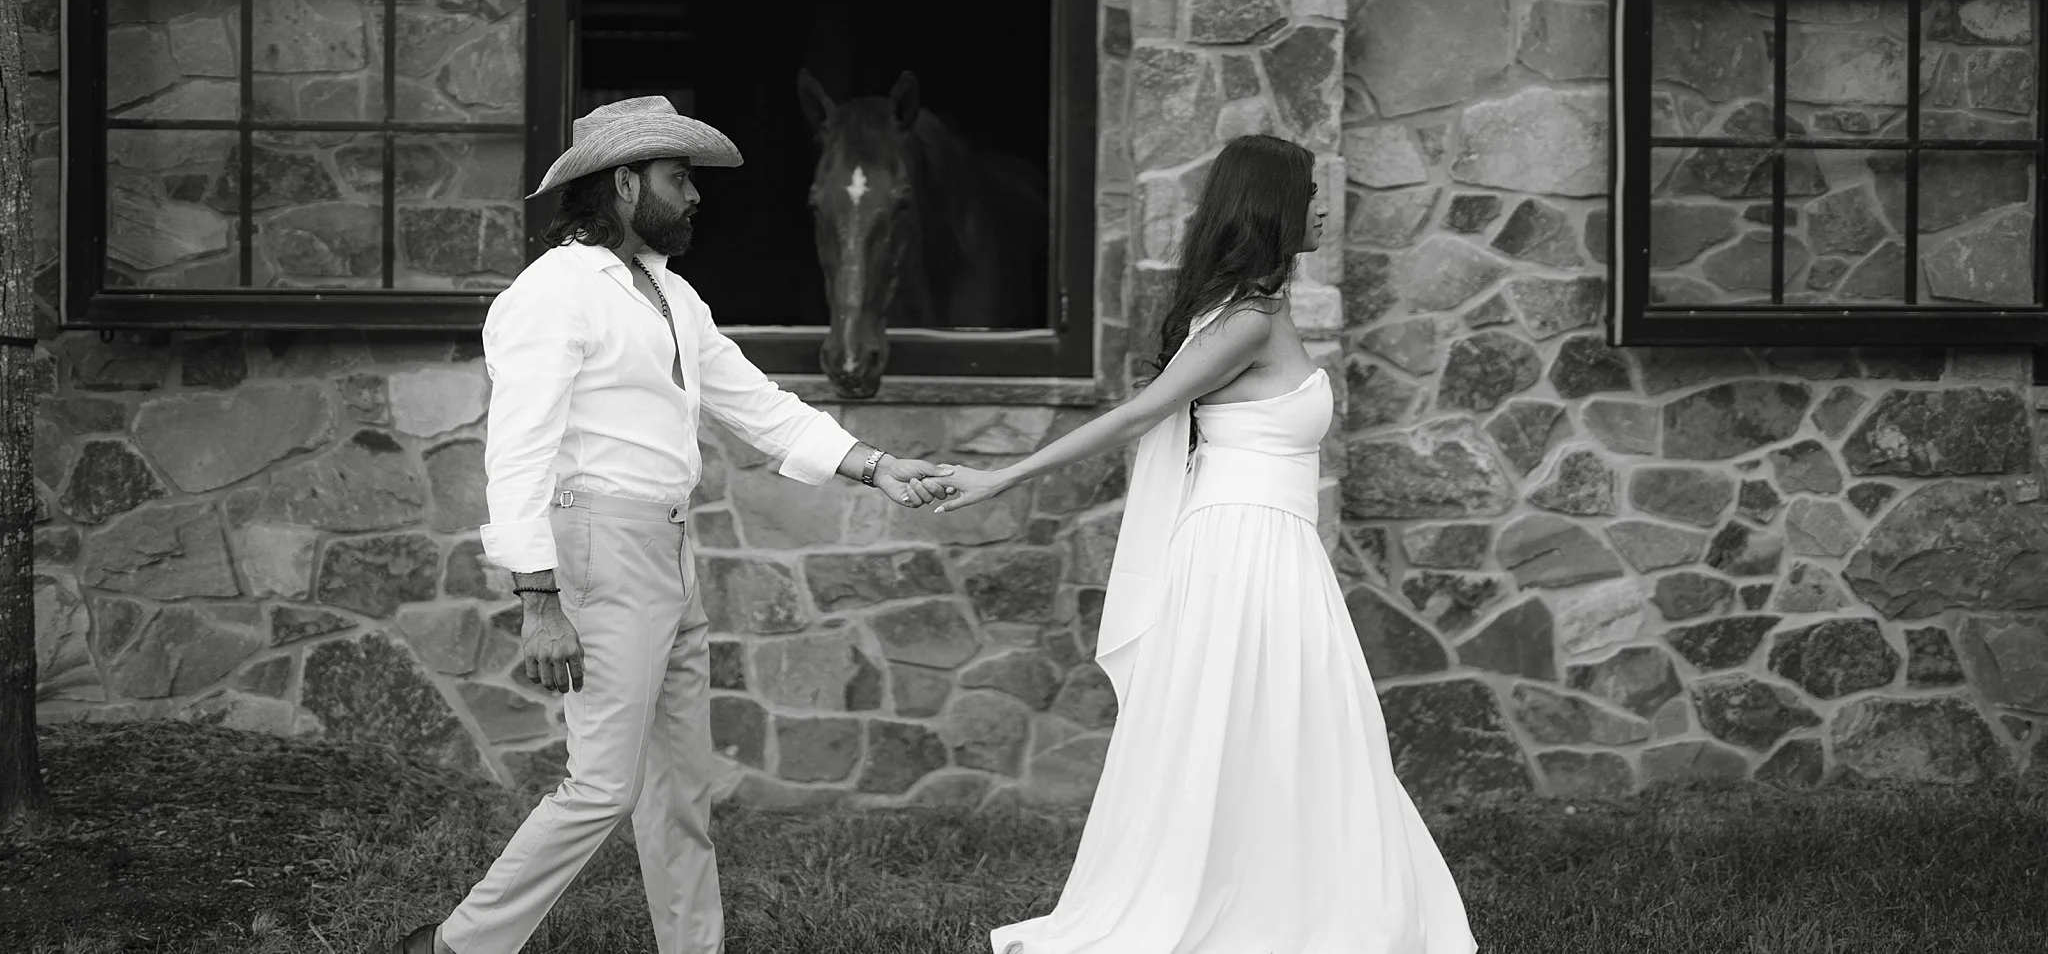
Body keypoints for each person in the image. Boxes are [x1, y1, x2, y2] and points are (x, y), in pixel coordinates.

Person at [396, 95, 953, 954]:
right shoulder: (552, 295)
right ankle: (456, 947)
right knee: (601, 789)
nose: (694, 196)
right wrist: (537, 596)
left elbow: (757, 405)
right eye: (678, 177)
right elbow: (517, 452)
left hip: (669, 549)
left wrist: (875, 467)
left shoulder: (669, 292)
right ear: (624, 184)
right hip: (596, 550)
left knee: (679, 791)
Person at [935, 133, 1476, 954]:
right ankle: (1245, 906)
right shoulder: (1245, 323)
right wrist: (999, 478)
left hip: (1276, 551)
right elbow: (1137, 415)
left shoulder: (1265, 310)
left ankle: (1305, 900)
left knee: (1305, 727)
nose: (1325, 207)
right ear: (1273, 207)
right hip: (1240, 554)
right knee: (1254, 729)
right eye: (1311, 193)